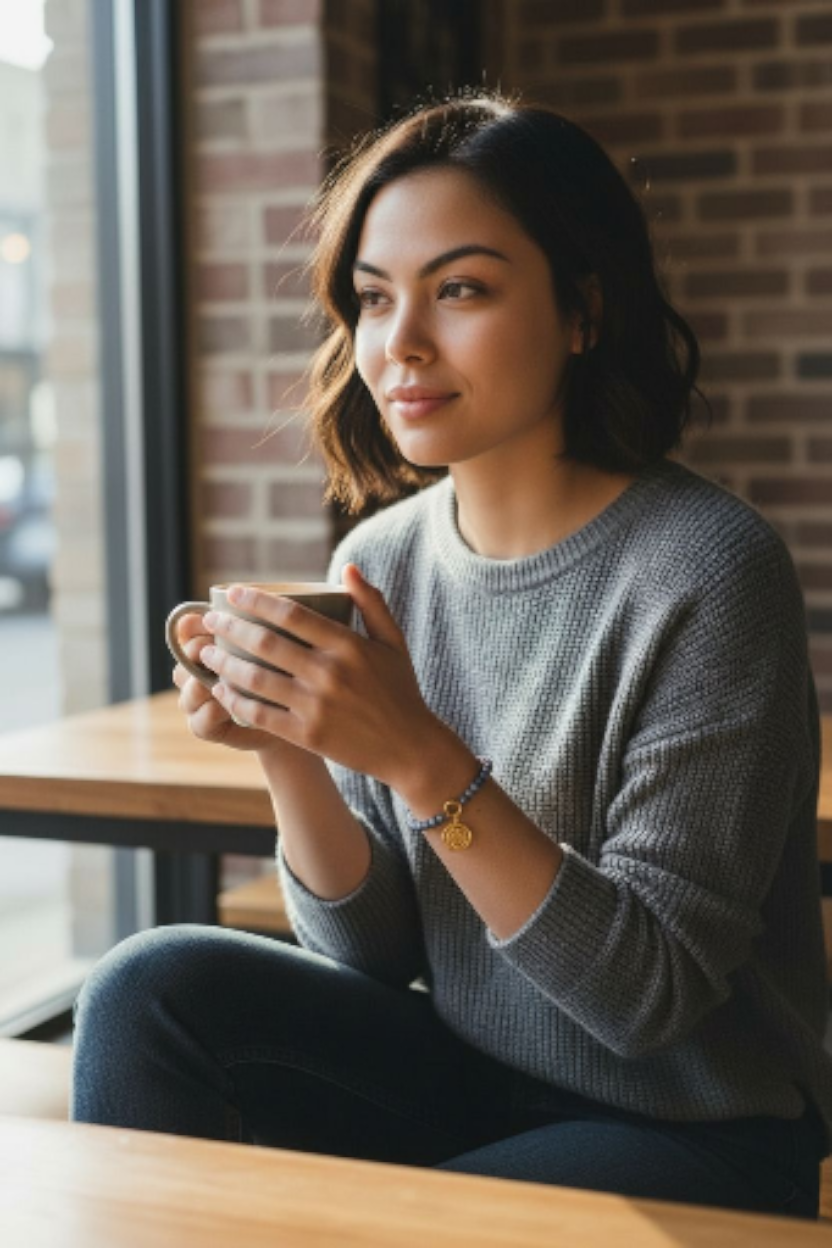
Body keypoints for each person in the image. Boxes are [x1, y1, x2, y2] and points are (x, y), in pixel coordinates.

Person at [72, 92, 832, 1220]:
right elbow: (371, 952)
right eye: (374, 299)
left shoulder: (709, 571)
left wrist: (425, 762)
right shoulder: (385, 557)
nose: (401, 344)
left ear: (582, 307)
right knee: (151, 985)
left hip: (687, 1130)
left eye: (461, 289)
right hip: (470, 1075)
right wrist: (289, 746)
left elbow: (645, 1001)